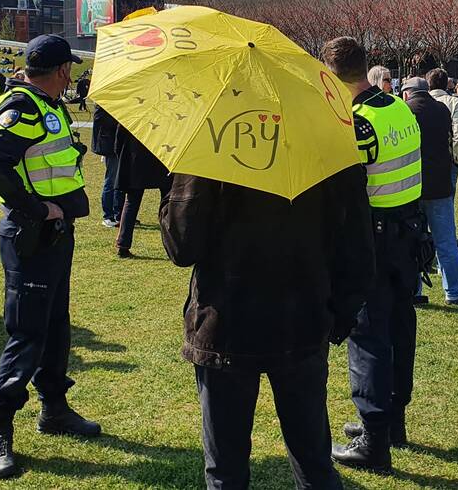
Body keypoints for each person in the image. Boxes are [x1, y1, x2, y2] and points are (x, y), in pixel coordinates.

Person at [160, 161, 375, 489]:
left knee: (228, 471)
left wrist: (174, 190)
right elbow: (358, 248)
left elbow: (181, 243)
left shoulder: (210, 148)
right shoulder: (326, 143)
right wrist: (339, 313)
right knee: (312, 462)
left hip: (230, 326)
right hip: (295, 321)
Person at [0, 35, 98, 480]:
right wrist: (35, 207)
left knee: (55, 325)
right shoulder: (25, 106)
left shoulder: (48, 105)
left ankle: (55, 409)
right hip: (32, 233)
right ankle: (0, 428)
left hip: (56, 234)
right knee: (28, 331)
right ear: (64, 70)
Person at [322, 36, 423, 474]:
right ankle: (393, 420)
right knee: (400, 327)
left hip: (374, 238)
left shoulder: (357, 121)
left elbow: (347, 187)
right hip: (408, 234)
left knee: (367, 336)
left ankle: (373, 439)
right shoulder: (399, 106)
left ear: (330, 75)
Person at [408, 74, 458, 305]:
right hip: (440, 184)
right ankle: (454, 291)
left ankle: (413, 292)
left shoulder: (405, 111)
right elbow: (456, 137)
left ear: (408, 92)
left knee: (412, 240)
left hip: (413, 186)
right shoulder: (444, 109)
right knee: (446, 241)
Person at [113, 124, 172, 258]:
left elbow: (119, 139)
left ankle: (123, 244)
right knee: (167, 205)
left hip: (135, 160)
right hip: (161, 159)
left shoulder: (133, 110)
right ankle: (173, 247)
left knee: (131, 203)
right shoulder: (167, 111)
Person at [91, 105, 122, 227]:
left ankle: (119, 214)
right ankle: (108, 216)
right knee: (111, 180)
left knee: (120, 181)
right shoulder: (103, 106)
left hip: (118, 145)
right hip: (110, 146)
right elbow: (104, 124)